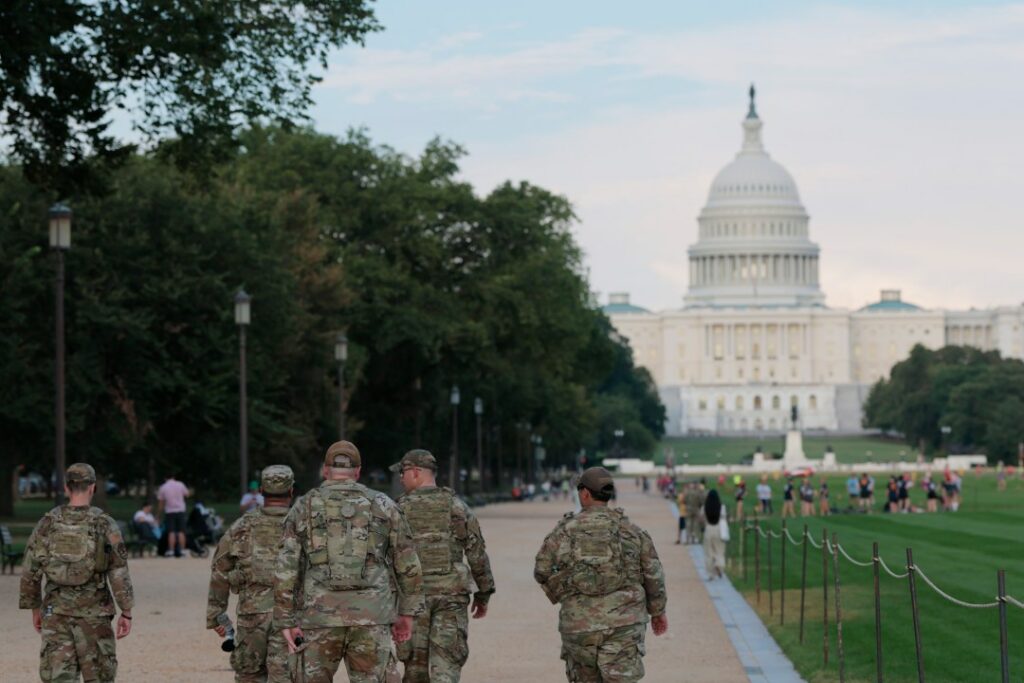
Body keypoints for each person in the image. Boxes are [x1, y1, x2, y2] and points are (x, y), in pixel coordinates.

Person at [275, 441, 424, 683]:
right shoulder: (383, 504)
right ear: (357, 471)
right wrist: (407, 613)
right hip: (372, 616)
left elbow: (286, 567)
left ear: (326, 470)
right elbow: (407, 561)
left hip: (319, 616)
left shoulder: (304, 505)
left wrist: (285, 619)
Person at [534, 467, 668, 683]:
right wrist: (658, 612)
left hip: (579, 625)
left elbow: (541, 569)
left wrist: (565, 590)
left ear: (585, 493)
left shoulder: (565, 530)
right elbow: (653, 574)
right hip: (624, 623)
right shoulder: (632, 531)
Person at [19, 463, 134, 681]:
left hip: (56, 613)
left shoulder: (47, 523)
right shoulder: (104, 524)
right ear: (92, 488)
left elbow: (30, 570)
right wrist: (126, 611)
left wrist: (35, 609)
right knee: (99, 676)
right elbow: (118, 571)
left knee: (58, 677)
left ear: (66, 487)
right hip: (94, 615)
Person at [390, 449, 496, 682]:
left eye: (403, 472)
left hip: (412, 600)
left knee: (415, 669)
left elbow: (386, 556)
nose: (400, 478)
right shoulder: (456, 506)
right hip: (451, 595)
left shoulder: (398, 510)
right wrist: (484, 593)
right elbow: (477, 553)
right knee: (446, 666)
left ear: (416, 472)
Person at [208, 465, 294, 682]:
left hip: (252, 615)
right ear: (291, 491)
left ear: (262, 491)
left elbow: (220, 569)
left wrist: (216, 615)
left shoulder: (242, 526)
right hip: (293, 617)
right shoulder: (303, 524)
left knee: (249, 676)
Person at [157, 472, 190, 558]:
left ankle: (171, 551)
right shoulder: (180, 484)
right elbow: (187, 494)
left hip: (170, 511)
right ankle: (182, 551)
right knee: (181, 532)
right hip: (180, 510)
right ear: (174, 477)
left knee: (171, 532)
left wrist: (159, 514)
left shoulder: (163, 487)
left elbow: (161, 502)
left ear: (165, 478)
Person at [702, 489, 728, 579]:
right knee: (719, 551)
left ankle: (710, 573)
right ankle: (719, 565)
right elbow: (724, 519)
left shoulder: (705, 507)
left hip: (708, 528)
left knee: (708, 552)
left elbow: (702, 518)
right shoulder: (722, 507)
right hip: (719, 529)